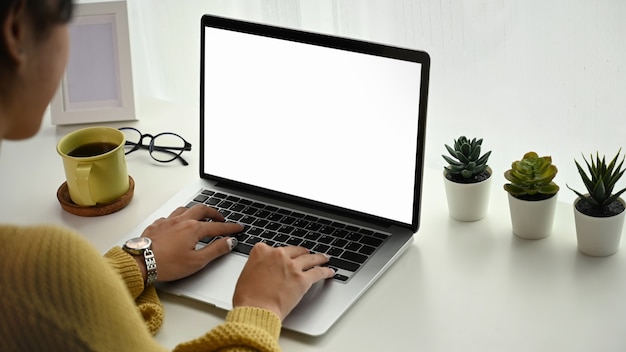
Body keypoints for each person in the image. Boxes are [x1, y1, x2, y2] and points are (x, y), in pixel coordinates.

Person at [0, 0, 335, 350]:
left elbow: (56, 298)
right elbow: (37, 296)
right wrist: (262, 307)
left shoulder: (27, 272)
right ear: (17, 31)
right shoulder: (32, 269)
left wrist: (139, 261)